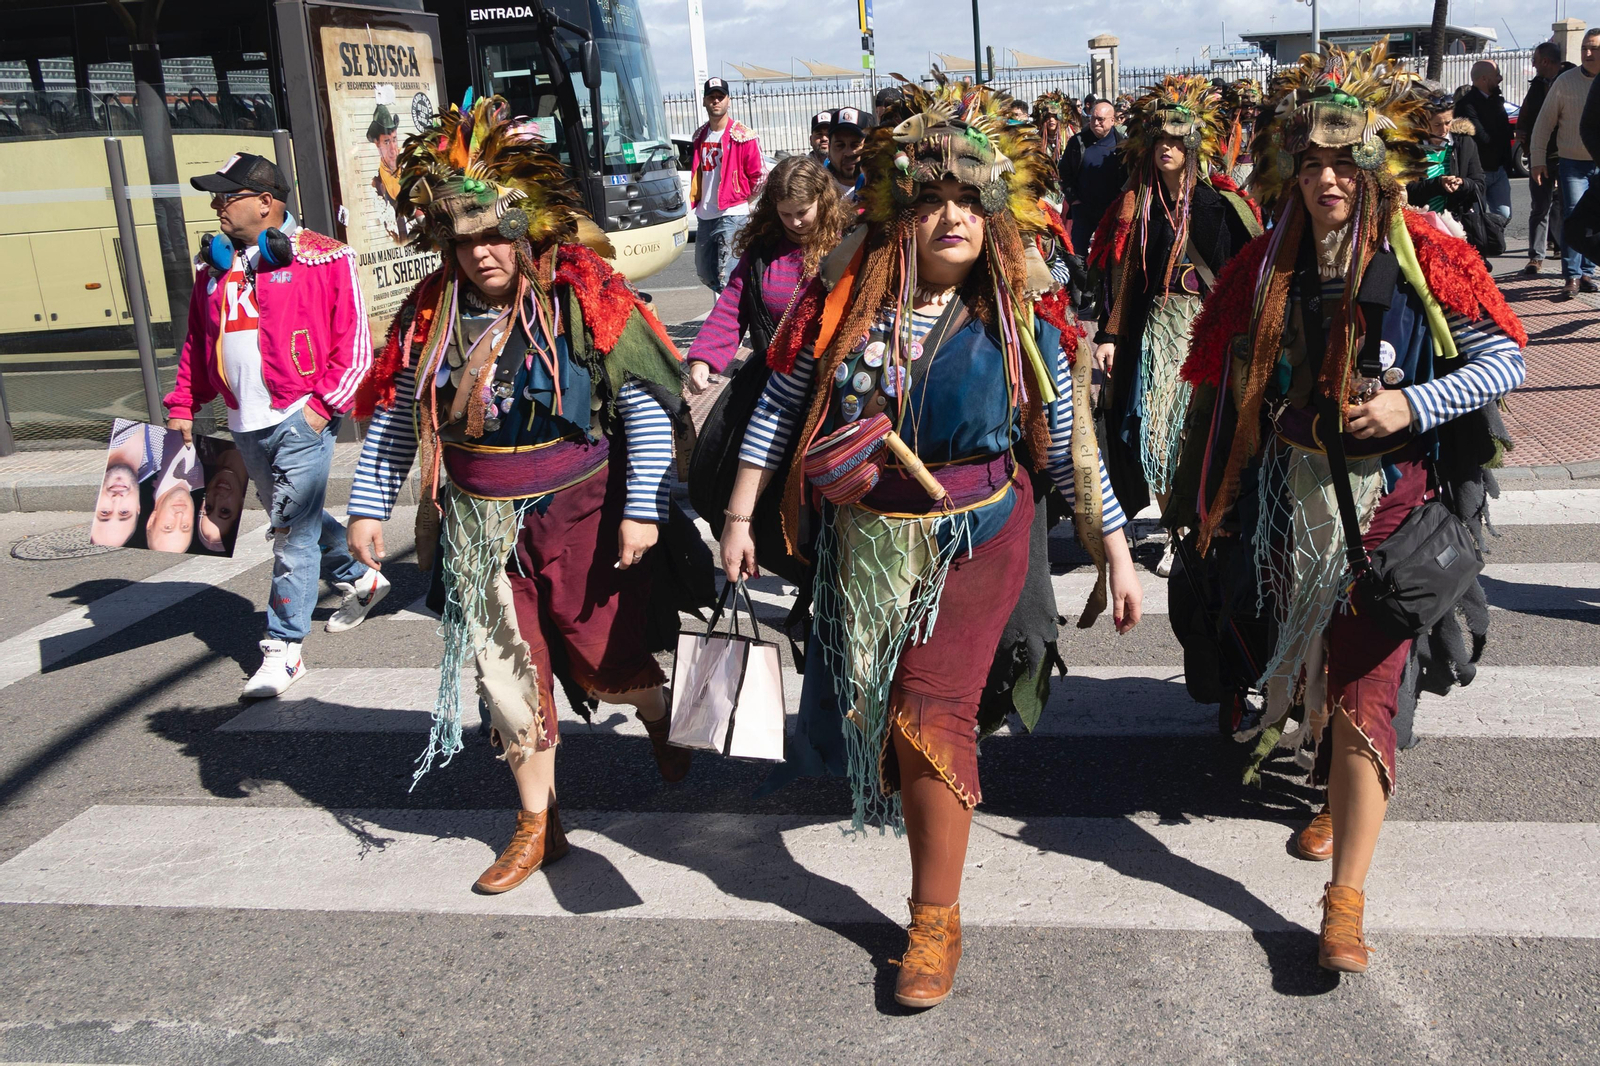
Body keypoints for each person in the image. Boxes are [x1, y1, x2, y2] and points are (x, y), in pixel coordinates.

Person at [719, 78, 1142, 1009]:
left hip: (980, 536)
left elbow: (1073, 437)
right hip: (868, 538)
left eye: (969, 199)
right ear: (897, 214)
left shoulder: (1022, 310)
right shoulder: (847, 300)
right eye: (930, 200)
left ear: (996, 213)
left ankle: (932, 920)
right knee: (883, 717)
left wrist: (1113, 544)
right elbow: (780, 404)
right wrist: (744, 513)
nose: (951, 215)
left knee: (928, 709)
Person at [1171, 42, 1526, 973]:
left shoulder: (1428, 249)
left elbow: (1507, 358)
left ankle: (1344, 904)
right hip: (1292, 504)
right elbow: (1214, 376)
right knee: (1315, 659)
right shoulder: (1264, 263)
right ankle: (1330, 788)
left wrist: (1412, 403)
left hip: (1391, 504)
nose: (1326, 177)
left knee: (1368, 683)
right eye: (1310, 161)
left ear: (1375, 163)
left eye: (1343, 159)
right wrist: (1205, 489)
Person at [348, 96, 708, 895]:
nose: (482, 254)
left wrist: (644, 507)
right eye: (464, 239)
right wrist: (367, 506)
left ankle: (655, 713)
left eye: (494, 235)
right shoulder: (430, 316)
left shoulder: (584, 296)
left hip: (580, 514)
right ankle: (538, 825)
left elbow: (647, 407)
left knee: (602, 656)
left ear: (525, 226)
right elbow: (399, 419)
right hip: (478, 522)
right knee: (506, 676)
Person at [165, 152, 387, 698]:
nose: (217, 205)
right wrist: (182, 405)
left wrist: (320, 408)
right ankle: (362, 577)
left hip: (299, 416)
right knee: (299, 519)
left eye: (227, 195)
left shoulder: (324, 257)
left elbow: (355, 344)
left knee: (289, 533)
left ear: (266, 203)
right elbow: (198, 341)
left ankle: (283, 649)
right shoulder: (213, 266)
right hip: (243, 420)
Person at [1088, 75, 1260, 576]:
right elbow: (1123, 282)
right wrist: (1111, 335)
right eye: (1158, 140)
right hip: (1156, 331)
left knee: (1197, 432)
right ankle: (1174, 525)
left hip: (1204, 329)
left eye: (1175, 140)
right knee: (1155, 435)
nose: (1166, 148)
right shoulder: (1134, 206)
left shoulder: (1219, 205)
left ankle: (1197, 524)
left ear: (1192, 145)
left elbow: (1241, 276)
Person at [685, 156, 847, 393]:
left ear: (822, 200)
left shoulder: (848, 242)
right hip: (776, 382)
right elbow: (732, 307)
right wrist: (703, 360)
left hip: (835, 382)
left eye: (803, 212)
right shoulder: (762, 249)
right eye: (785, 214)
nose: (795, 222)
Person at [1529, 28, 1600, 296]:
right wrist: (1537, 159)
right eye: (1584, 48)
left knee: (1596, 221)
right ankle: (1571, 276)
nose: (1588, 53)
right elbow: (1543, 124)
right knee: (1574, 216)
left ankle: (1587, 273)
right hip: (1573, 163)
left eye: (1594, 48)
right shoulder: (1565, 81)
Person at [689, 77, 764, 294]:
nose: (716, 101)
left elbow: (759, 175)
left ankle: (731, 320)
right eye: (711, 97)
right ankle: (741, 304)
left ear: (728, 101)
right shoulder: (700, 135)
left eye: (720, 97)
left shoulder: (742, 135)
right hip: (705, 213)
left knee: (727, 277)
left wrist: (745, 199)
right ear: (704, 101)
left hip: (733, 213)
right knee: (705, 272)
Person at [1518, 43, 1575, 274]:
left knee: (1567, 208)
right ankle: (1535, 258)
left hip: (1567, 157)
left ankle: (1570, 261)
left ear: (1545, 61)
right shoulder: (1538, 85)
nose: (1532, 63)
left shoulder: (1572, 79)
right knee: (1539, 208)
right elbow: (1526, 117)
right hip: (1540, 157)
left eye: (1535, 58)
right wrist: (1528, 147)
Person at [1059, 99, 1126, 254]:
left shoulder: (1123, 145)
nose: (1096, 123)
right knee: (1077, 253)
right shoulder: (1078, 142)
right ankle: (1080, 278)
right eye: (1093, 118)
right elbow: (1064, 172)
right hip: (1083, 209)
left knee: (1110, 253)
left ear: (1112, 120)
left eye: (1101, 120)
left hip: (1112, 210)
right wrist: (1073, 199)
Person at [1453, 60, 1514, 222]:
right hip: (1478, 171)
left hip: (1499, 169)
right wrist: (1503, 135)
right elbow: (1482, 137)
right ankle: (1482, 247)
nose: (1500, 78)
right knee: (1476, 220)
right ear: (1484, 79)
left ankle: (1493, 245)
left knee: (1504, 215)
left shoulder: (1496, 100)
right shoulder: (1466, 105)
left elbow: (1506, 132)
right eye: (1497, 75)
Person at [145, 445, 202, 553]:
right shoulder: (215, 474)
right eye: (185, 526)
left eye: (168, 527)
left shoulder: (144, 465)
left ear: (151, 521)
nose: (179, 515)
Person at [367, 103, 409, 240]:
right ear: (377, 145)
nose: (393, 149)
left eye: (394, 140)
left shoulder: (409, 175)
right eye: (386, 142)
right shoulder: (375, 186)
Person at [825, 106, 870, 203]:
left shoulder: (884, 188)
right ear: (829, 148)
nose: (848, 153)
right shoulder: (817, 191)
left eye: (855, 145)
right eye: (840, 145)